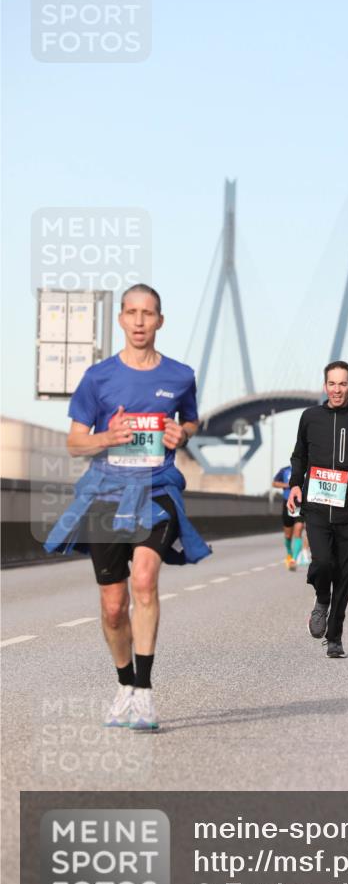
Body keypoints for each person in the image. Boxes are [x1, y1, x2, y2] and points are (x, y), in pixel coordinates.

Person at [44, 284, 210, 732]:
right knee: (114, 607)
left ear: (160, 321)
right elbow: (75, 443)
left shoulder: (179, 375)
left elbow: (191, 418)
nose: (139, 321)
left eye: (148, 313)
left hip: (157, 490)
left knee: (144, 581)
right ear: (120, 318)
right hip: (106, 494)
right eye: (132, 313)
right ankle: (124, 686)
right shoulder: (98, 378)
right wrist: (108, 437)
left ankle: (146, 693)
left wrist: (183, 433)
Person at [287, 361, 348, 658]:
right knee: (323, 561)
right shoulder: (310, 417)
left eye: (343, 384)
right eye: (332, 383)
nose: (337, 389)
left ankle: (335, 637)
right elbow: (299, 457)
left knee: (345, 573)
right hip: (316, 505)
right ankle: (321, 600)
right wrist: (294, 485)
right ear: (325, 385)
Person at [272, 464, 305, 570]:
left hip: (300, 504)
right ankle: (289, 553)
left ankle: (293, 560)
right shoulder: (285, 470)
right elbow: (274, 483)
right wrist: (288, 485)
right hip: (288, 503)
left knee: (298, 531)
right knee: (288, 535)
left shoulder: (307, 469)